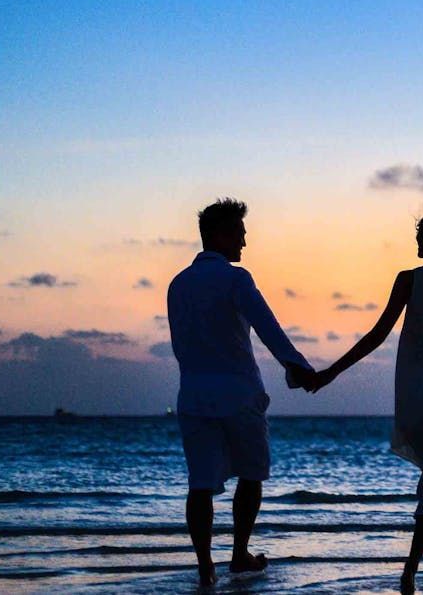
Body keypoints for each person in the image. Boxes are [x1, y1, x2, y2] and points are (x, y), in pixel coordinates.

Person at [311, 203, 423, 593]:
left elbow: (377, 335)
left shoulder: (409, 280)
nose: (415, 237)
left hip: (415, 399)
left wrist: (331, 373)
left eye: (421, 231)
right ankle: (410, 571)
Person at [166, 197, 317, 587]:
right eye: (240, 234)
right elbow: (266, 325)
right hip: (238, 393)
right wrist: (296, 366)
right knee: (251, 475)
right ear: (220, 234)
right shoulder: (236, 279)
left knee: (200, 484)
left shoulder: (177, 284)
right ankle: (238, 554)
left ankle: (205, 567)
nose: (244, 243)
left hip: (194, 395)